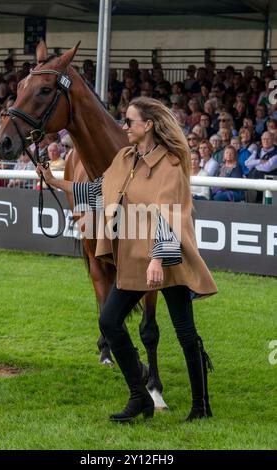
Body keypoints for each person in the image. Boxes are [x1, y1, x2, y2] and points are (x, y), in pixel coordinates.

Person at [36, 97, 217, 424]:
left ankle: (201, 407)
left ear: (147, 125)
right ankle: (140, 396)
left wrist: (157, 260)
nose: (124, 126)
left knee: (185, 333)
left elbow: (169, 213)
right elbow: (96, 192)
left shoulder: (172, 164)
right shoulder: (125, 158)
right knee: (108, 322)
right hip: (135, 260)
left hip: (169, 259)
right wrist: (55, 180)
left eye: (130, 121)